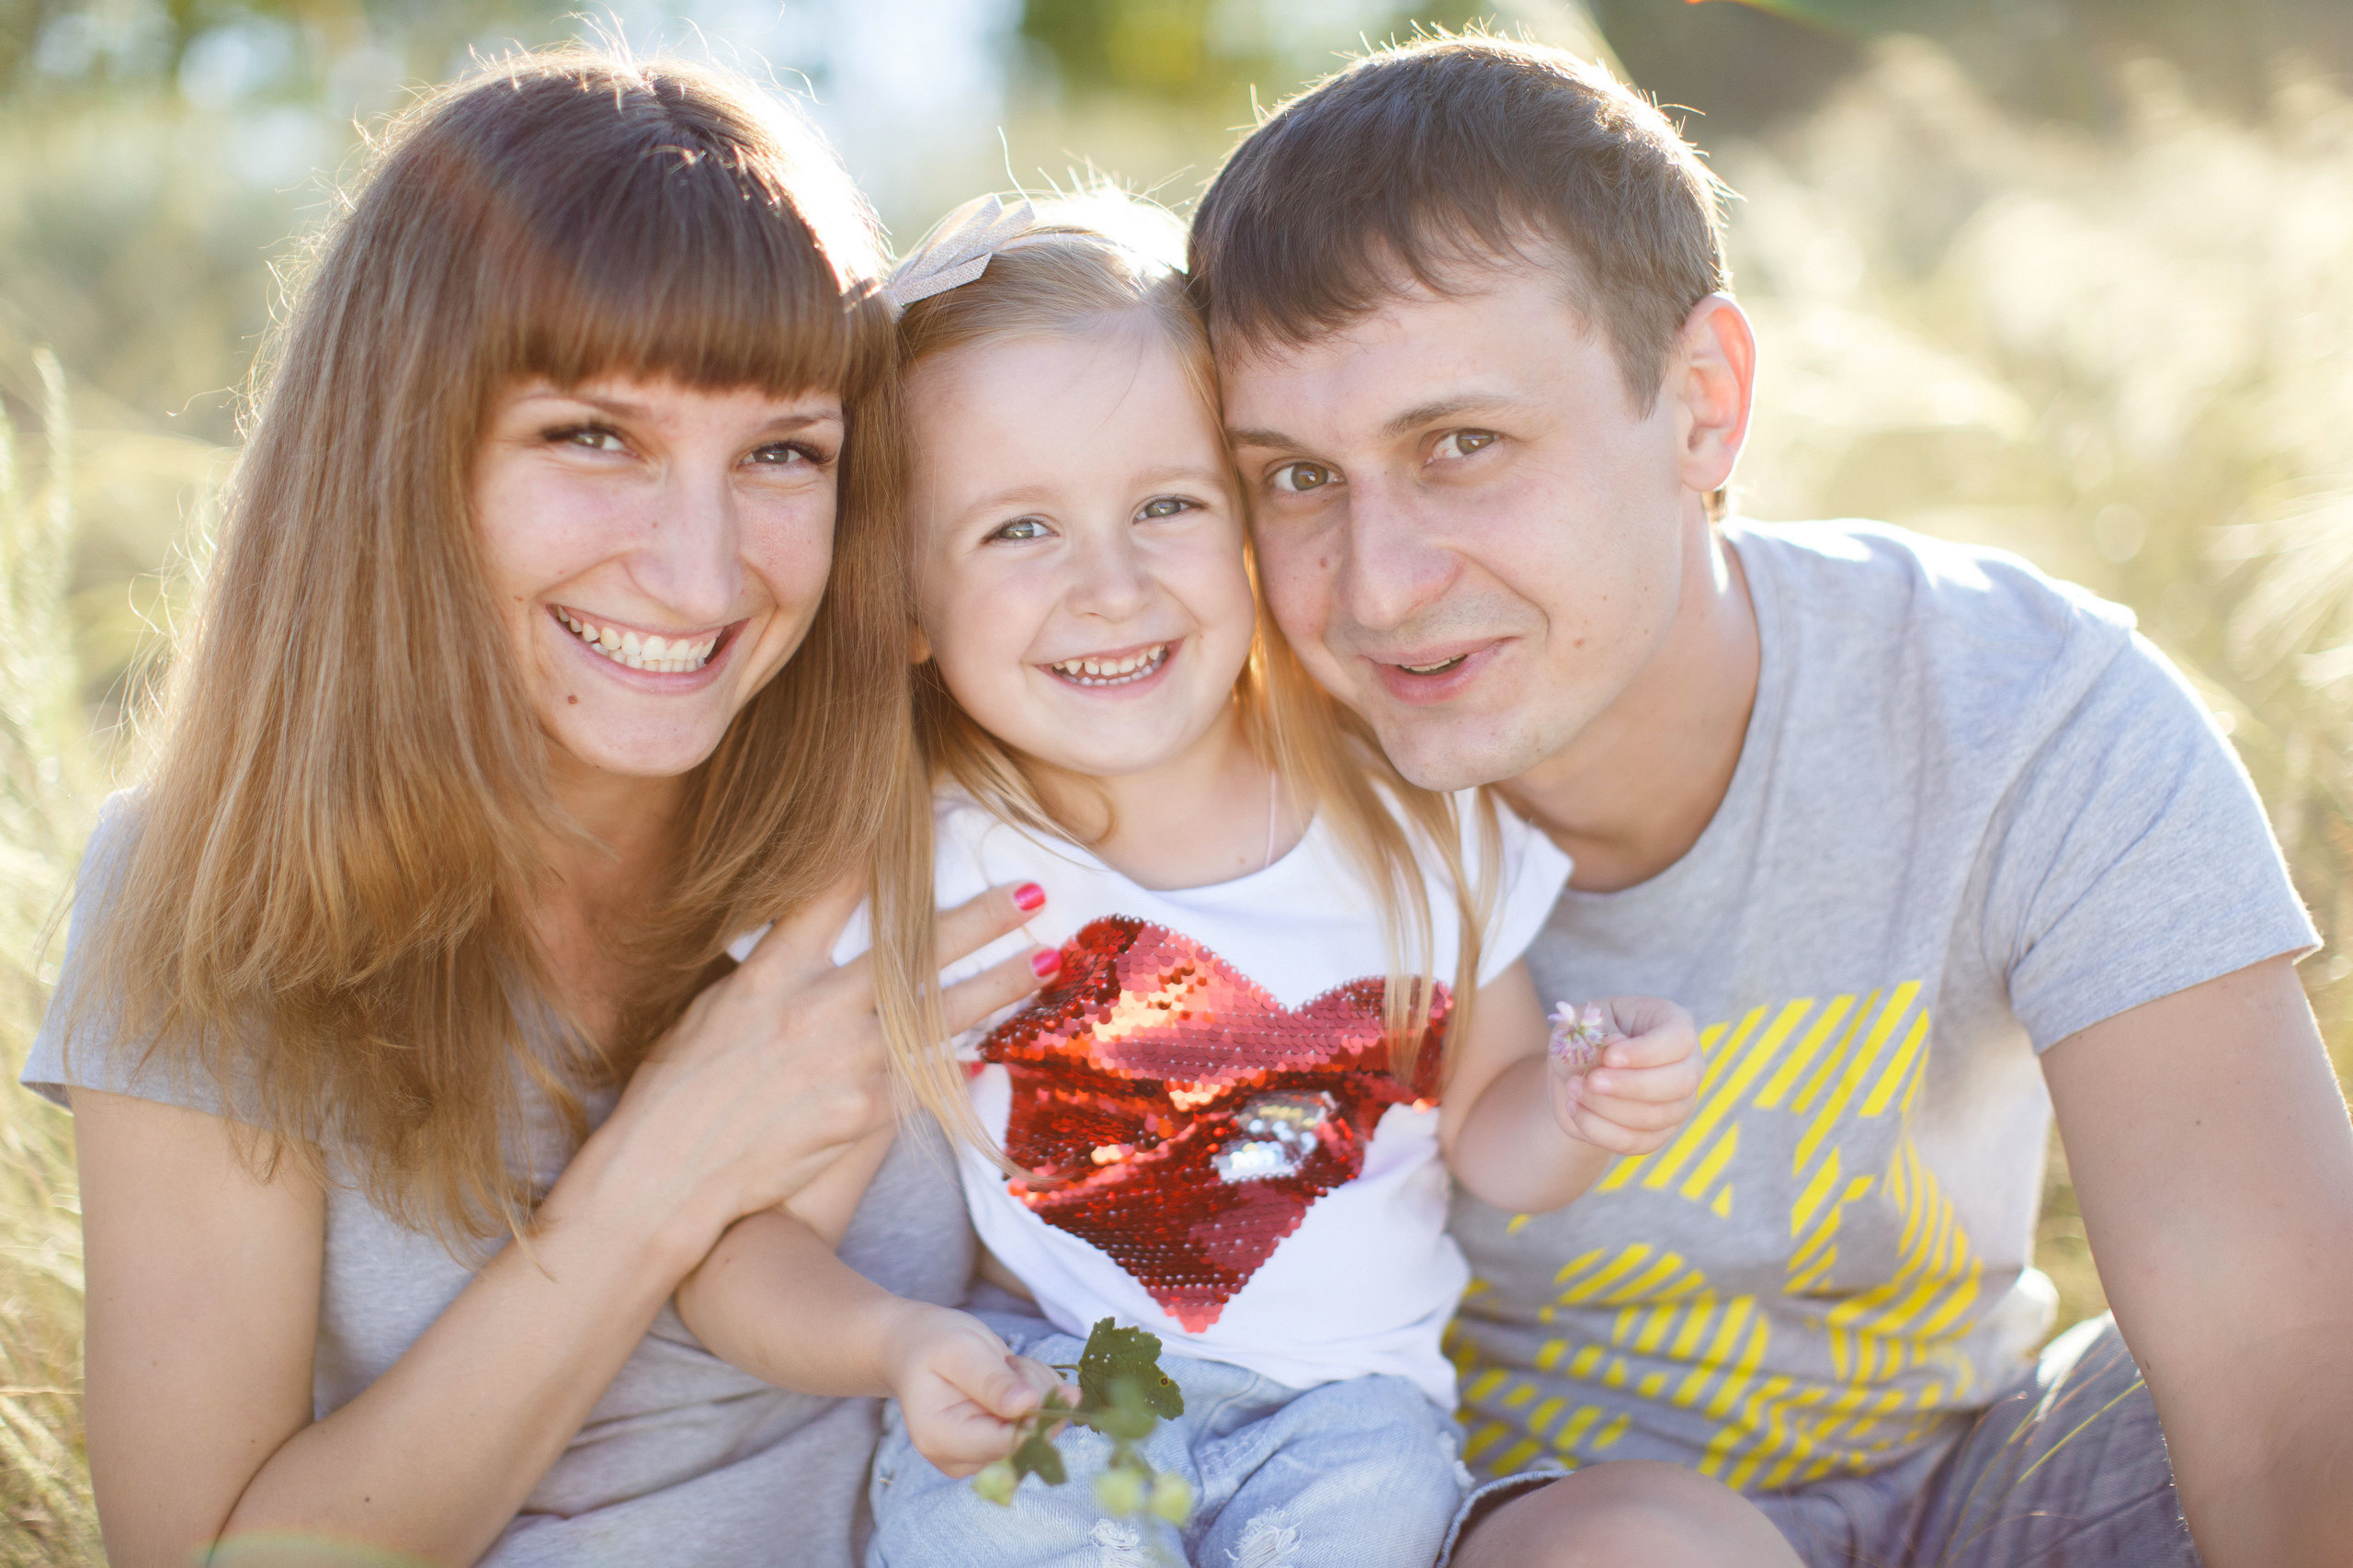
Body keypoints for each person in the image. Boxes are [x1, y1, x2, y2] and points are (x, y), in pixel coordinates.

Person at [1188, 33, 2353, 1568]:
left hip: (1989, 1485)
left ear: (1702, 404)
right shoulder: (1216, 820)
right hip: (1535, 1532)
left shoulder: (2022, 711)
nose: (1379, 583)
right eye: (1295, 478)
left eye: (1461, 445)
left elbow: (2281, 1382)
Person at [22, 51, 1055, 1568]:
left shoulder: (940, 801)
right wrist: (659, 1181)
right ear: (402, 462)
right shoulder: (203, 895)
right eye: (595, 438)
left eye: (782, 454)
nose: (703, 576)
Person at [668, 194, 1706, 1568]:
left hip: (1351, 1420)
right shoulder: (921, 870)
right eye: (1016, 531)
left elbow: (1493, 1136)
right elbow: (736, 1257)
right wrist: (902, 1339)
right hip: (1065, 1389)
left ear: (1246, 529)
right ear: (907, 605)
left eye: (1165, 504)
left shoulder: (1409, 816)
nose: (1109, 585)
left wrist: (1583, 1100)